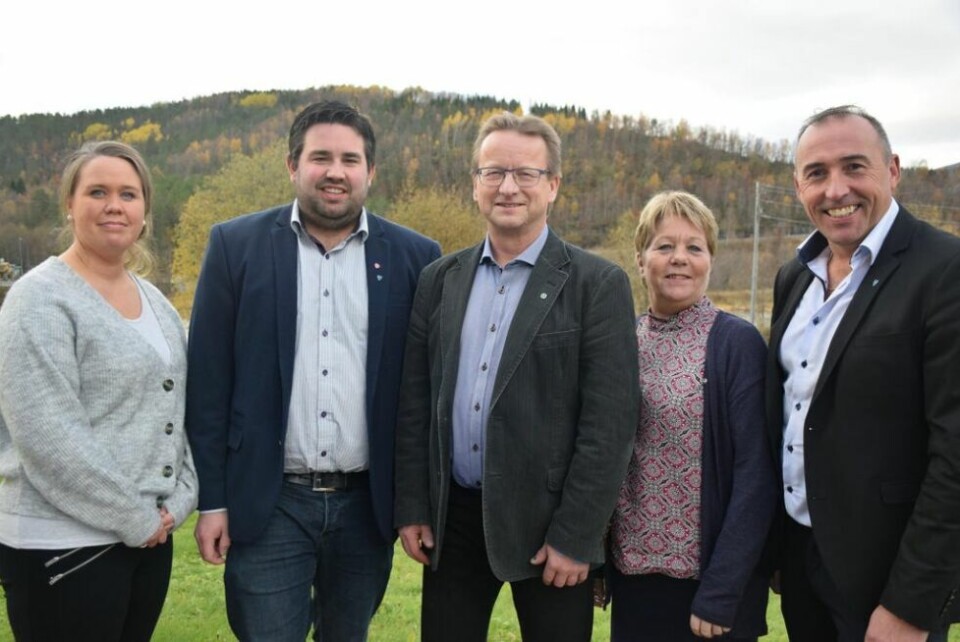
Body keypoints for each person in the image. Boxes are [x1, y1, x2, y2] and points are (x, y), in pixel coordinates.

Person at [186, 100, 441, 641]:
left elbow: (421, 397)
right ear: (292, 165)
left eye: (350, 159)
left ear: (370, 172)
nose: (335, 171)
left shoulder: (417, 258)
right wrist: (212, 501)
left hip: (365, 507)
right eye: (320, 157)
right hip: (269, 501)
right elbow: (208, 385)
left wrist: (413, 503)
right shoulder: (235, 246)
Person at [394, 112, 639, 641]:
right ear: (475, 185)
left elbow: (610, 424)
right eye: (494, 172)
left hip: (549, 526)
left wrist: (577, 534)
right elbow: (417, 403)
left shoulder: (597, 284)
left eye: (526, 174)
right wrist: (413, 505)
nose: (509, 187)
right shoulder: (439, 280)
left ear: (552, 185)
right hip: (453, 521)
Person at [767, 105, 960, 642]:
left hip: (887, 581)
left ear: (892, 170)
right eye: (817, 173)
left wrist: (912, 605)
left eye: (855, 167)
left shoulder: (944, 270)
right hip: (804, 562)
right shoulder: (794, 277)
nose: (836, 189)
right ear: (798, 185)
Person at [0, 141, 198, 641]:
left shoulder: (156, 303)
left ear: (145, 210)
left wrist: (181, 500)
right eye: (97, 192)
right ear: (69, 205)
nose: (115, 205)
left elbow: (177, 412)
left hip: (148, 540)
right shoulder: (39, 300)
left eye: (128, 194)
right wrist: (135, 518)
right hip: (63, 547)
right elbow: (48, 436)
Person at [607, 191, 776, 641]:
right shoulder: (623, 341)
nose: (679, 258)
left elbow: (756, 475)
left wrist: (722, 591)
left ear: (710, 260)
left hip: (708, 592)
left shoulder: (735, 344)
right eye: (664, 246)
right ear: (641, 260)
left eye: (693, 247)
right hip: (634, 582)